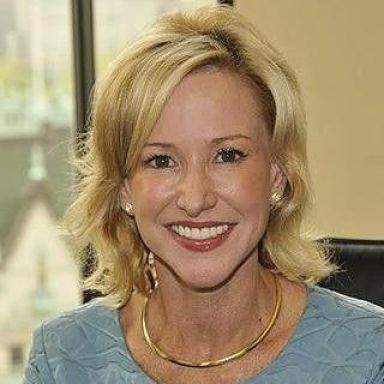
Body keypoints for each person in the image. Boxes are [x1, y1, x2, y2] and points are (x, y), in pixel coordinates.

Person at [24, 5, 384, 384]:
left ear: (278, 175)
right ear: (124, 187)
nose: (195, 200)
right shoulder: (63, 358)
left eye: (228, 155)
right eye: (161, 160)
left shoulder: (370, 357)